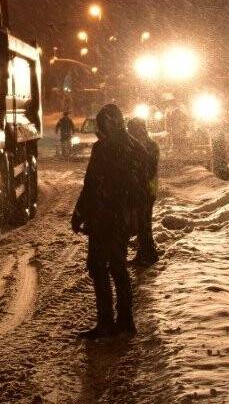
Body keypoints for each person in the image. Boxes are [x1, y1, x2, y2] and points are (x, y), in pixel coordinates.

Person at [71, 103, 148, 338]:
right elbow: (141, 188)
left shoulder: (103, 149)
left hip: (103, 217)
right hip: (121, 218)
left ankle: (106, 322)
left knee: (98, 266)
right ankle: (125, 320)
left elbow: (91, 184)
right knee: (118, 267)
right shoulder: (137, 149)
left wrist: (80, 213)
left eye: (102, 124)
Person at [127, 116, 161, 266]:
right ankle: (144, 253)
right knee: (142, 223)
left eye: (132, 130)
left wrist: (140, 182)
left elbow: (150, 169)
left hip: (146, 190)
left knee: (143, 223)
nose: (130, 133)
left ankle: (148, 255)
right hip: (142, 190)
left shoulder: (149, 145)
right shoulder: (144, 145)